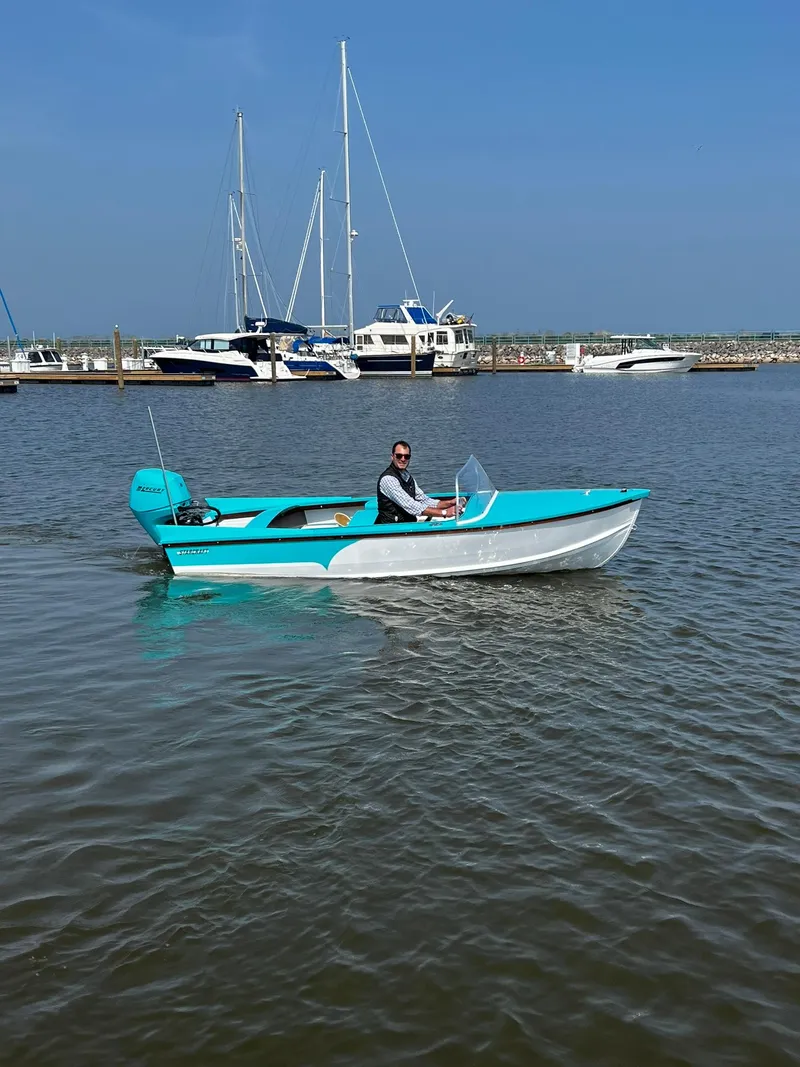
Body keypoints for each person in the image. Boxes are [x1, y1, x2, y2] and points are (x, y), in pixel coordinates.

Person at [376, 441, 457, 524]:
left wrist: (450, 503)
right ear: (392, 457)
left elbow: (423, 500)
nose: (403, 459)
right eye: (399, 456)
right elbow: (410, 505)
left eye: (406, 456)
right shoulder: (388, 479)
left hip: (407, 524)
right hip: (392, 528)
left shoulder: (406, 476)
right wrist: (445, 513)